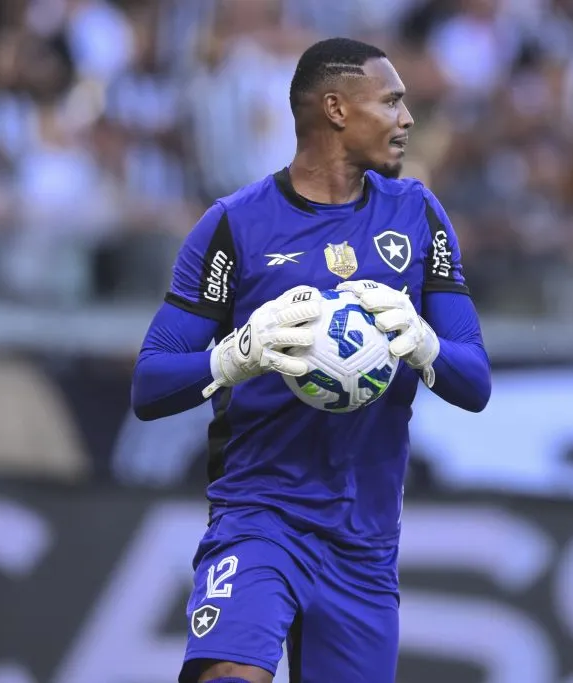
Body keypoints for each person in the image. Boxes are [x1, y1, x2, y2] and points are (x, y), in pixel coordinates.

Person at [130, 37, 492, 683]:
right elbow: (150, 383)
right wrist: (234, 356)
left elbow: (475, 382)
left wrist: (427, 346)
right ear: (335, 109)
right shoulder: (234, 225)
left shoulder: (418, 216)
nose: (407, 119)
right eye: (391, 101)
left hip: (365, 541)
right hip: (260, 516)